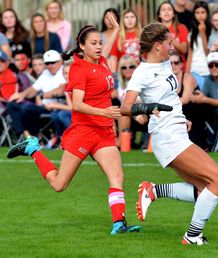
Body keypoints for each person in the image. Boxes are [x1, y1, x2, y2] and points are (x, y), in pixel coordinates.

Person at [6, 13, 141, 235]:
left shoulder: (102, 61)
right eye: (94, 44)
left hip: (104, 131)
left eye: (100, 43)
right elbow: (77, 105)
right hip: (83, 131)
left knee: (117, 177)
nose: (99, 47)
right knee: (59, 185)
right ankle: (33, 148)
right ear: (81, 46)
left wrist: (116, 29)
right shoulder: (78, 69)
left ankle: (119, 223)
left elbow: (105, 52)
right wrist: (104, 111)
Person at [120, 23, 218, 245]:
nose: (173, 45)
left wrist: (181, 118)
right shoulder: (142, 72)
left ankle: (154, 190)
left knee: (204, 189)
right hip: (167, 137)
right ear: (157, 45)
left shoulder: (165, 62)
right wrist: (147, 108)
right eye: (169, 42)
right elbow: (125, 107)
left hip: (175, 131)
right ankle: (192, 235)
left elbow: (169, 97)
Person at [7, 50, 66, 139]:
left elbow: (62, 89)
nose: (50, 65)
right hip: (43, 106)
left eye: (52, 62)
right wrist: (21, 95)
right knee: (12, 104)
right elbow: (33, 89)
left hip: (58, 106)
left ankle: (35, 136)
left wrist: (43, 95)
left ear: (60, 62)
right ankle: (27, 135)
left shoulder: (64, 71)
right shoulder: (46, 73)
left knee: (27, 108)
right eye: (47, 63)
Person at [186, 1, 211, 89]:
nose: (200, 15)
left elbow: (208, 53)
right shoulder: (192, 31)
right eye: (197, 13)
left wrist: (203, 33)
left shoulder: (212, 30)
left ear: (207, 13)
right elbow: (190, 53)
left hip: (208, 70)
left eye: (203, 12)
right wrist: (187, 72)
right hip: (194, 70)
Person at [157, 1, 189, 70]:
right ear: (159, 14)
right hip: (161, 68)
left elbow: (184, 50)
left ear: (174, 14)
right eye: (163, 10)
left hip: (179, 68)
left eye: (169, 9)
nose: (166, 12)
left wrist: (170, 39)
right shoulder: (155, 30)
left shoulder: (181, 28)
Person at [101, 8, 120, 73]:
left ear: (117, 19)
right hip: (105, 66)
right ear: (103, 20)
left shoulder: (122, 35)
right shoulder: (100, 36)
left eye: (112, 17)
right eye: (107, 18)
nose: (110, 20)